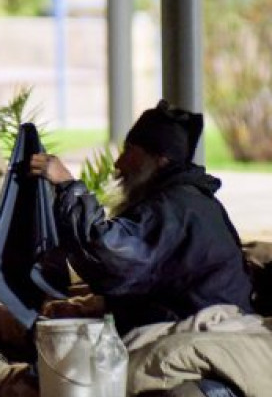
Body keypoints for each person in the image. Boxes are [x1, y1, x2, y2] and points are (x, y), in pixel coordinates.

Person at [28, 100, 253, 336]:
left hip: (196, 328)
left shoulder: (173, 207)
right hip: (190, 312)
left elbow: (109, 256)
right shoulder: (185, 198)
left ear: (160, 159)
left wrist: (67, 184)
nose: (118, 163)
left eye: (130, 152)